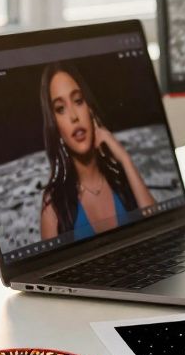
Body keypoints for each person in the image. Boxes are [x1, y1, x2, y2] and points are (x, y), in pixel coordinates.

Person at [39, 63, 155, 240]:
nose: (73, 116)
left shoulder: (121, 180)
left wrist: (125, 159)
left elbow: (160, 229)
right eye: (60, 109)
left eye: (78, 101)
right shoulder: (54, 205)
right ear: (55, 125)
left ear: (90, 110)